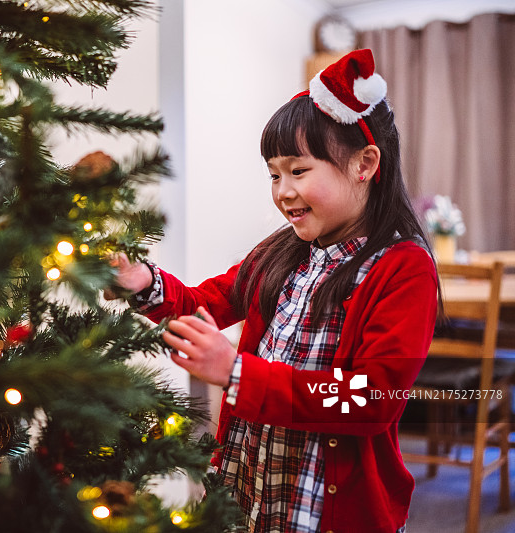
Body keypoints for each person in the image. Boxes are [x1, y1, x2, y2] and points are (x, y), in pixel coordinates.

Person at [107, 49, 438, 533]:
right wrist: (142, 282)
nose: (282, 191)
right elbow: (204, 305)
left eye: (299, 171)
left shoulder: (403, 268)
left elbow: (373, 398)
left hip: (326, 509)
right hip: (251, 485)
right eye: (273, 174)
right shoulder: (280, 252)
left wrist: (237, 374)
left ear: (365, 164)